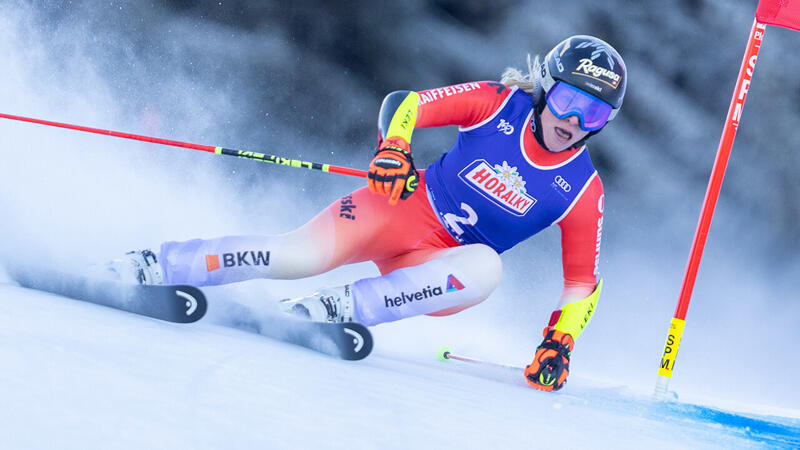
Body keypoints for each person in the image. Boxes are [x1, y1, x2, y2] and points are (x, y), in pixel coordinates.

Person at [108, 35, 627, 392]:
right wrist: (394, 148)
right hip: (397, 207)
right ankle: (159, 265)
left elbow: (582, 282)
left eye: (595, 113)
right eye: (565, 100)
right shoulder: (499, 105)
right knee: (298, 255)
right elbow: (408, 103)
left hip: (438, 268)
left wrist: (559, 343)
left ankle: (338, 308)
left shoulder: (582, 189)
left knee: (487, 270)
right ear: (544, 90)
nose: (574, 120)